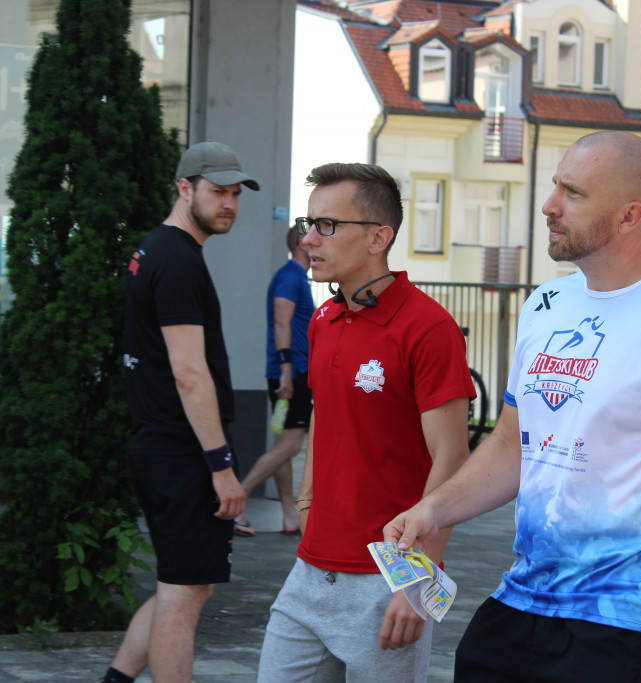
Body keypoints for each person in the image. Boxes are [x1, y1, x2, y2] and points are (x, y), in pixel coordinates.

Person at [385, 131, 641, 683]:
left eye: (573, 193)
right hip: (521, 603)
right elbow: (511, 444)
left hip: (628, 622)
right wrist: (435, 509)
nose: (549, 205)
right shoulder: (545, 304)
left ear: (630, 216)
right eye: (556, 186)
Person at [256, 163, 475, 682]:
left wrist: (419, 578)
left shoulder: (429, 327)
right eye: (310, 223)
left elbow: (452, 457)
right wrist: (306, 502)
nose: (309, 239)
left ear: (379, 237)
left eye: (327, 225)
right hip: (309, 571)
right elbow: (326, 418)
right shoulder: (324, 320)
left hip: (388, 577)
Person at [103, 141, 257, 683]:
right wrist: (221, 466)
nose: (229, 204)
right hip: (181, 450)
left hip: (165, 446)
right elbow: (188, 372)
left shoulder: (159, 251)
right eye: (218, 192)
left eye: (235, 194)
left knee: (184, 582)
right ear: (185, 188)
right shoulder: (177, 261)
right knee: (184, 594)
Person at [234, 226, 315, 537]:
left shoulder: (296, 277)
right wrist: (286, 371)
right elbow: (281, 323)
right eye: (314, 238)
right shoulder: (290, 277)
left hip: (289, 372)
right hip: (291, 373)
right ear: (301, 243)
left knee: (284, 446)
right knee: (292, 445)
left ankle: (289, 517)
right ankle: (237, 499)